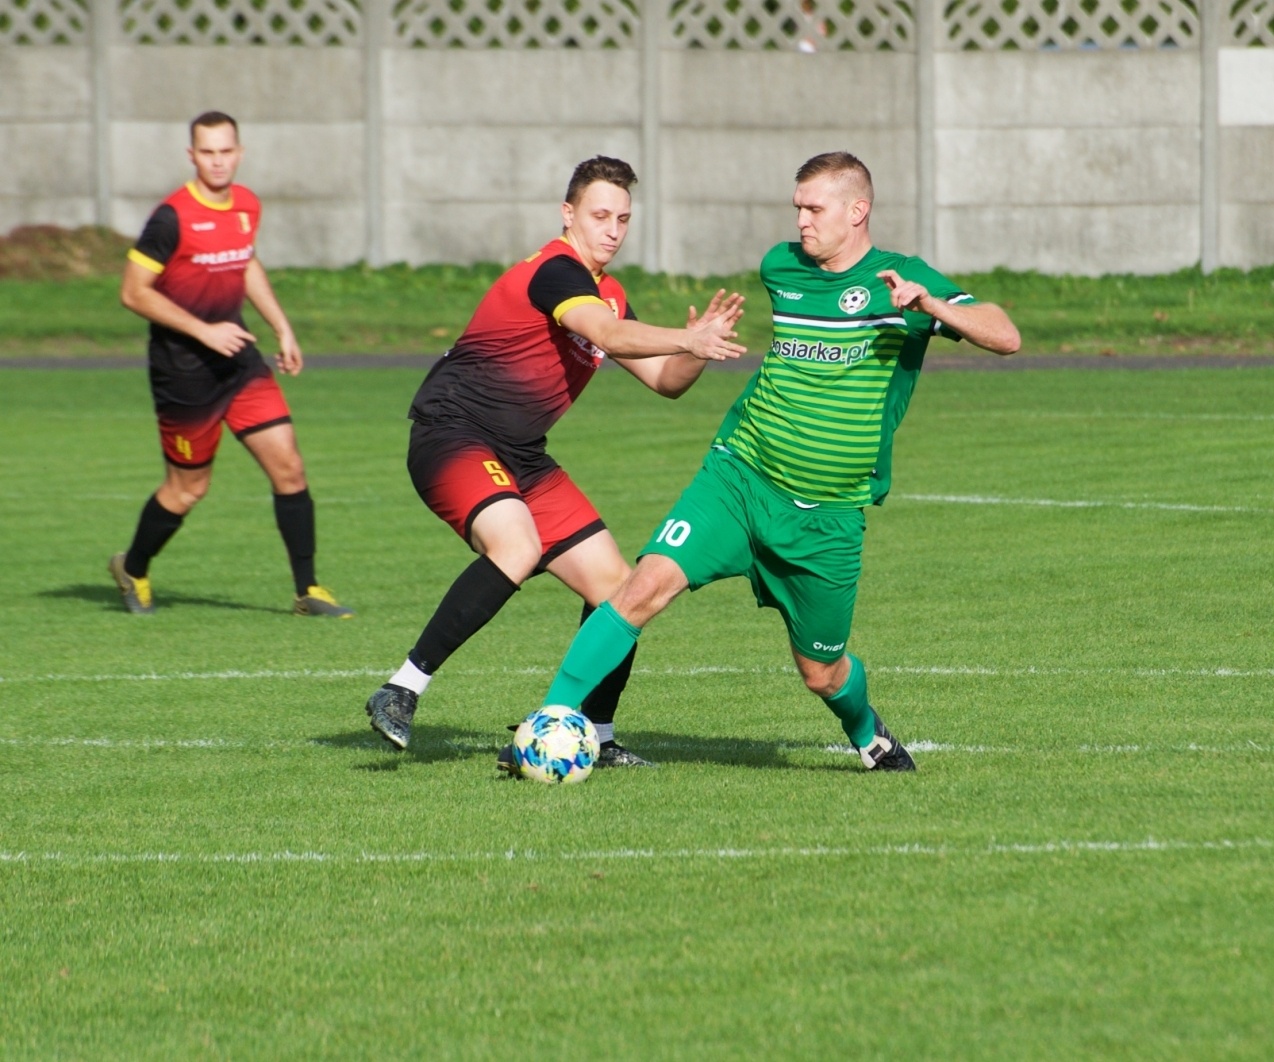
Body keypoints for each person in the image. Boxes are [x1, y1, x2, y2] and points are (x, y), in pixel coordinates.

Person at [523, 151, 1020, 771]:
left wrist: (935, 308)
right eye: (797, 208)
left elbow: (1005, 336)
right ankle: (547, 725)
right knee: (642, 588)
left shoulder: (903, 279)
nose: (801, 221)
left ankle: (867, 732)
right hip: (740, 475)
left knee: (821, 671)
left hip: (827, 515)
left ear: (857, 210)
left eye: (815, 209)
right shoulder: (780, 267)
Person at [364, 156, 745, 766]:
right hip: (455, 434)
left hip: (522, 455)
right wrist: (684, 336)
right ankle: (401, 689)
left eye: (623, 219)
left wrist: (697, 349)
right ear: (568, 214)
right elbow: (610, 336)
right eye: (600, 215)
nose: (613, 230)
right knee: (515, 546)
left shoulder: (609, 293)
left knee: (620, 590)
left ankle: (599, 734)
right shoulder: (555, 272)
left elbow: (665, 381)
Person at [110, 111, 352, 619]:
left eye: (226, 151)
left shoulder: (246, 205)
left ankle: (307, 590)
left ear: (239, 153)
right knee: (188, 489)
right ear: (192, 156)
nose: (218, 161)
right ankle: (132, 567)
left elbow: (245, 262)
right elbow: (133, 293)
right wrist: (204, 331)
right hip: (184, 375)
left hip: (239, 365)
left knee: (289, 467)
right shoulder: (171, 218)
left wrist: (282, 326)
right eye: (208, 152)